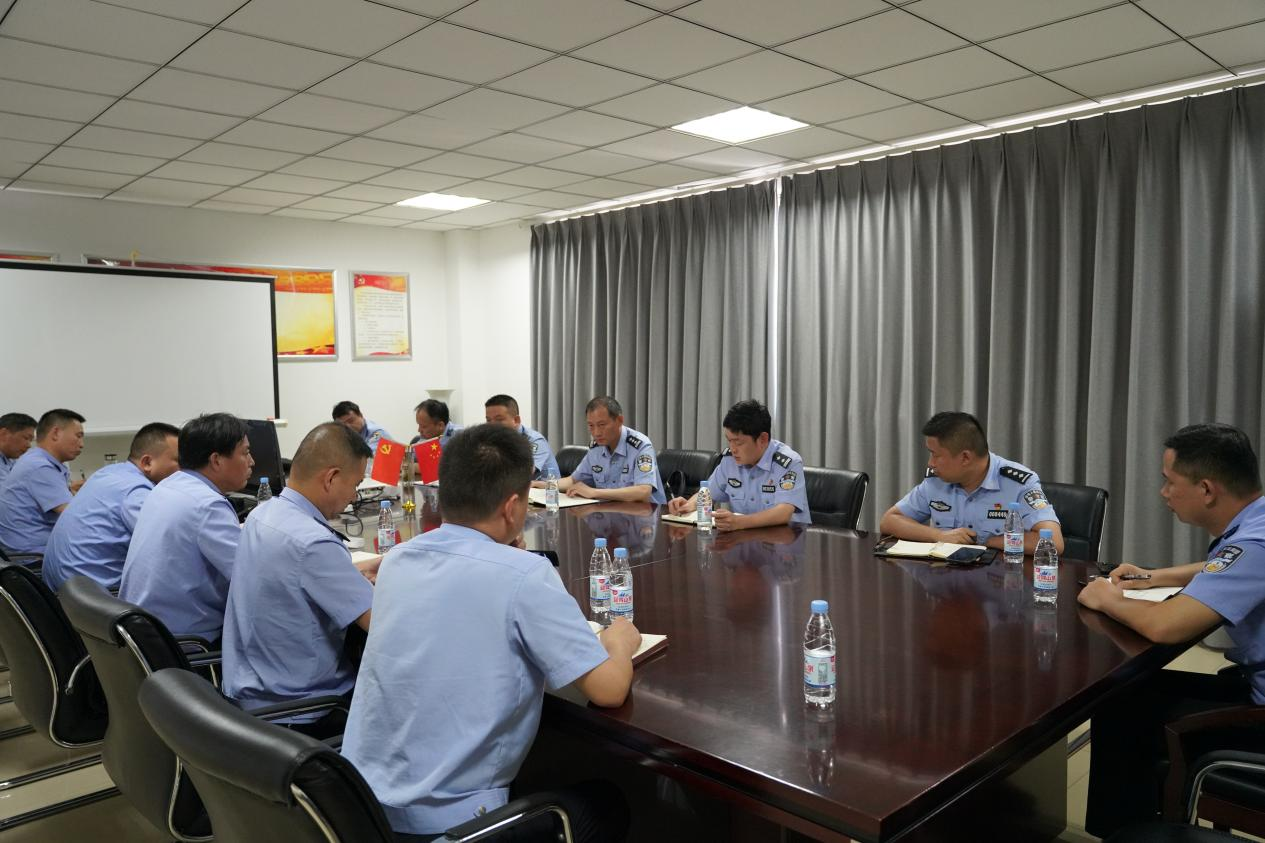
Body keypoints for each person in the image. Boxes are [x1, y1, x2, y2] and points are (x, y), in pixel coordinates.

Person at [342, 424, 638, 841]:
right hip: (451, 826)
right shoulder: (525, 575)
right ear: (512, 507)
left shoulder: (397, 559)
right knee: (608, 804)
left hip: (359, 811)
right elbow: (609, 690)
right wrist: (618, 642)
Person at [1078, 423, 1265, 837]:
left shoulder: (1255, 545)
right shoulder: (1258, 522)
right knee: (1129, 691)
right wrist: (1154, 577)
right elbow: (1224, 566)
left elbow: (1165, 627)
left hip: (1259, 718)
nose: (1163, 493)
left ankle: (1132, 834)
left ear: (1207, 489)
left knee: (1123, 707)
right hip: (1252, 686)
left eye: (1169, 482)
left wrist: (1106, 597)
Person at [223, 422, 376, 739]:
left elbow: (297, 580)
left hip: (249, 694)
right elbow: (382, 625)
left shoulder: (263, 514)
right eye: (355, 484)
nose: (353, 497)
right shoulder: (313, 543)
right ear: (331, 478)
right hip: (301, 711)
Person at [119, 413, 253, 641]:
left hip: (143, 629)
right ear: (216, 460)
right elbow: (250, 577)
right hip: (183, 641)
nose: (252, 461)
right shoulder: (208, 505)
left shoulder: (168, 486)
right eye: (245, 453)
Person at [878, 411, 1064, 554]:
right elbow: (889, 521)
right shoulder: (936, 481)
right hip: (946, 581)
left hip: (999, 583)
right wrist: (939, 535)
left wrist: (986, 541)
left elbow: (1053, 542)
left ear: (965, 457)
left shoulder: (1019, 483)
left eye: (935, 455)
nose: (930, 463)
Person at [41, 422, 180, 593]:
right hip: (91, 596)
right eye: (179, 461)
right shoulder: (136, 491)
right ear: (147, 462)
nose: (185, 469)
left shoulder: (108, 473)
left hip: (62, 588)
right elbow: (168, 547)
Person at [667, 399, 810, 530]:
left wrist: (740, 522)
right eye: (729, 441)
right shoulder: (730, 460)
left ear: (762, 439)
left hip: (783, 541)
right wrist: (688, 505)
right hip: (743, 539)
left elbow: (783, 513)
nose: (733, 449)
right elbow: (708, 493)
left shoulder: (788, 462)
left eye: (738, 442)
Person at [0, 409, 85, 554]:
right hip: (34, 556)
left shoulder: (37, 461)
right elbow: (76, 516)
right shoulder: (39, 466)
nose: (82, 444)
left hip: (34, 549)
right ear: (56, 433)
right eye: (78, 436)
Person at [556, 396, 666, 504]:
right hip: (609, 511)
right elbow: (573, 480)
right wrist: (548, 485)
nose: (596, 433)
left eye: (602, 425)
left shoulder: (640, 445)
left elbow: (643, 491)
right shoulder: (596, 448)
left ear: (619, 420)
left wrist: (594, 492)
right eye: (591, 425)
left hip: (646, 512)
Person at [484, 393, 560, 481]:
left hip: (544, 488)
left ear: (516, 420)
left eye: (499, 419)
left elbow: (524, 473)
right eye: (488, 420)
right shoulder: (494, 440)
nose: (492, 425)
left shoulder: (535, 440)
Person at [0, 412, 37, 485]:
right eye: (26, 438)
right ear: (4, 434)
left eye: (30, 440)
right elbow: (8, 490)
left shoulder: (12, 459)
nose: (29, 445)